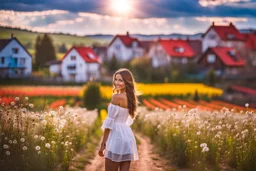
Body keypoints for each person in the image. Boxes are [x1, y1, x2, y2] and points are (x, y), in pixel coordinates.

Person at [98, 68, 139, 171]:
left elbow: (109, 123)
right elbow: (128, 120)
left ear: (127, 82)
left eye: (120, 80)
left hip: (116, 137)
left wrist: (103, 144)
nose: (117, 82)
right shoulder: (131, 98)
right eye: (116, 79)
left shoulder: (117, 97)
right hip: (127, 136)